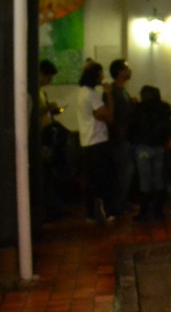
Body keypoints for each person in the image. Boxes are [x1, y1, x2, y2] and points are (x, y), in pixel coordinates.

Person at [127, 85, 171, 222]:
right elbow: (168, 126)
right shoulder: (163, 108)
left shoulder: (138, 109)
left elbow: (130, 129)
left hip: (142, 148)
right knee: (158, 179)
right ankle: (158, 211)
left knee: (144, 180)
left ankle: (144, 213)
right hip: (158, 147)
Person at [77, 61, 115, 223]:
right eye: (100, 74)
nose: (103, 77)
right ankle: (104, 212)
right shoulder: (91, 94)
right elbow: (107, 115)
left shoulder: (81, 92)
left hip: (86, 140)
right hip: (97, 140)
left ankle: (90, 214)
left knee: (90, 180)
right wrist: (108, 94)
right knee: (103, 179)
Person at [38, 59, 69, 219]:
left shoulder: (43, 93)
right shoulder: (34, 92)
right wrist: (47, 109)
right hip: (42, 137)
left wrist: (61, 110)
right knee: (45, 174)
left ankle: (54, 206)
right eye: (48, 77)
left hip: (49, 135)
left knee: (49, 174)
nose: (49, 81)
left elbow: (51, 113)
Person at [107, 59, 136, 217]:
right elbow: (111, 117)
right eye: (127, 68)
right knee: (123, 172)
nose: (130, 71)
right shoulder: (112, 92)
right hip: (119, 139)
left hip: (126, 136)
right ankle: (118, 205)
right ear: (119, 72)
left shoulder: (123, 90)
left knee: (127, 172)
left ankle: (123, 203)